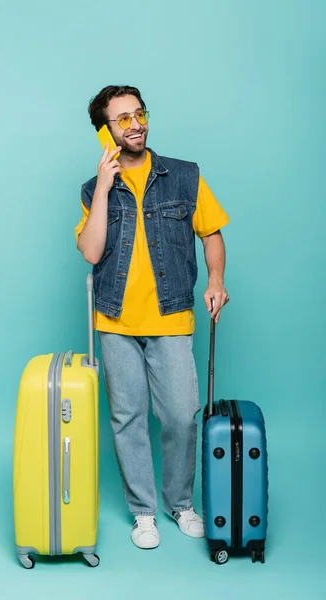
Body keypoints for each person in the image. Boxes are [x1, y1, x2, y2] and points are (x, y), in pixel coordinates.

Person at [75, 85, 230, 550]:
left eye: (138, 113)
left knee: (183, 415)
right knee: (128, 418)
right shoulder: (91, 189)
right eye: (122, 118)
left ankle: (179, 503)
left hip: (170, 316)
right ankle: (144, 513)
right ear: (105, 131)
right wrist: (104, 188)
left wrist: (215, 280)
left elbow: (212, 234)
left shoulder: (185, 176)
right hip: (116, 321)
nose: (135, 123)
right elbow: (92, 251)